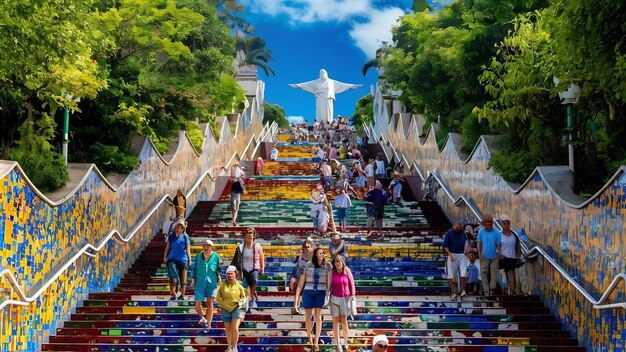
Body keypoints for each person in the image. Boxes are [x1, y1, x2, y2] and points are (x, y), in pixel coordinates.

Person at [294, 248, 332, 351]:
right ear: (315, 254)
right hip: (308, 292)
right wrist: (296, 300)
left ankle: (316, 341)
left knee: (318, 316)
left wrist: (327, 296)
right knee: (308, 317)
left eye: (323, 253)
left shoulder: (327, 265)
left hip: (321, 292)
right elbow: (301, 283)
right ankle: (310, 339)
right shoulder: (308, 264)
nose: (322, 254)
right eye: (320, 253)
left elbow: (329, 283)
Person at [289, 69, 362, 123]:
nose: (322, 73)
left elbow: (343, 85)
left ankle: (328, 123)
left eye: (323, 72)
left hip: (328, 99)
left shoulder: (331, 82)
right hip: (320, 99)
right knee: (320, 112)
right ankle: (319, 123)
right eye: (320, 72)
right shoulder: (316, 82)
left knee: (328, 113)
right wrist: (297, 85)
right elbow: (306, 84)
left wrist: (352, 86)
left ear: (326, 73)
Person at [231, 227, 265, 308]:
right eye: (247, 234)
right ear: (245, 236)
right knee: (243, 287)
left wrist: (262, 267)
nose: (249, 236)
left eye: (251, 234)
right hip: (244, 270)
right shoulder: (240, 247)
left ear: (254, 236)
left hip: (254, 268)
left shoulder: (257, 246)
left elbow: (261, 257)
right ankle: (246, 304)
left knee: (254, 281)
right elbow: (236, 260)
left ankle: (252, 301)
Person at [216, 265, 247, 352]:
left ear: (235, 274)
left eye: (231, 274)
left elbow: (244, 298)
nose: (230, 275)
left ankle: (234, 346)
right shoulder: (222, 285)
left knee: (235, 328)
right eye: (228, 274)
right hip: (225, 308)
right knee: (228, 329)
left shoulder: (240, 285)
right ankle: (229, 346)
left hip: (237, 308)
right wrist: (223, 306)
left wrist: (240, 307)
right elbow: (218, 298)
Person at [190, 239, 220, 328]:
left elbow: (219, 268)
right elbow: (195, 269)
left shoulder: (216, 256)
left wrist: (219, 279)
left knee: (210, 303)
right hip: (200, 281)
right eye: (204, 245)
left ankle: (208, 324)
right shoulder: (198, 256)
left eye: (208, 245)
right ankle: (203, 318)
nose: (206, 247)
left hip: (212, 281)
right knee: (197, 303)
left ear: (211, 247)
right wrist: (193, 279)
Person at [329, 255, 355, 352]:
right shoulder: (332, 273)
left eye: (340, 261)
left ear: (343, 262)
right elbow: (329, 285)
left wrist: (353, 296)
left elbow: (352, 284)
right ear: (334, 263)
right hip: (334, 298)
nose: (339, 263)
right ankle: (338, 343)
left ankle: (345, 342)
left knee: (344, 320)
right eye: (336, 261)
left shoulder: (347, 271)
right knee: (335, 321)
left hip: (345, 298)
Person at [163, 222, 192, 300]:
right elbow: (168, 247)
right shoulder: (171, 236)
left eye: (178, 227)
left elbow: (188, 249)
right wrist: (165, 257)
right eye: (176, 227)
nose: (176, 228)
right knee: (173, 278)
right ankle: (172, 293)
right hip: (172, 259)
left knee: (183, 280)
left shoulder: (185, 236)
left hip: (183, 260)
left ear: (182, 229)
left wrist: (189, 259)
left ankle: (182, 295)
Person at [477, 215, 502, 297]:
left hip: (494, 256)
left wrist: (499, 253)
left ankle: (492, 290)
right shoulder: (481, 231)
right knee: (484, 274)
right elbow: (479, 242)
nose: (487, 225)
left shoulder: (497, 232)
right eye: (486, 224)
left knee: (494, 275)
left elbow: (498, 244)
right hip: (484, 256)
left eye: (489, 224)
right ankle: (486, 292)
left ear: (492, 224)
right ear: (484, 224)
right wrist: (479, 253)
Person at [443, 222, 469, 299]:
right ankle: (453, 292)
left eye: (459, 225)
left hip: (462, 255)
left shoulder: (464, 233)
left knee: (464, 273)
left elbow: (470, 243)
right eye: (456, 224)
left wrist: (467, 251)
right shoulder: (449, 233)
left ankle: (463, 291)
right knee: (451, 275)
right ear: (453, 225)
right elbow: (445, 245)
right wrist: (450, 254)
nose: (458, 226)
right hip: (452, 254)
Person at [289, 239, 315, 314]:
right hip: (299, 275)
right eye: (305, 247)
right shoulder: (300, 258)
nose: (307, 248)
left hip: (310, 277)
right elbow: (297, 269)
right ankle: (296, 306)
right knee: (297, 285)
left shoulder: (315, 258)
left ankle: (301, 306)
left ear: (312, 247)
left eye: (308, 247)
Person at [499, 214, 521, 295]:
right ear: (502, 225)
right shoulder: (499, 234)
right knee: (503, 274)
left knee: (511, 273)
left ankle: (512, 291)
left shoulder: (514, 234)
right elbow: (496, 245)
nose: (506, 225)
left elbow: (518, 244)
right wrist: (499, 255)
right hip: (502, 258)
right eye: (504, 223)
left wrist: (518, 255)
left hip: (512, 257)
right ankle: (503, 290)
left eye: (508, 223)